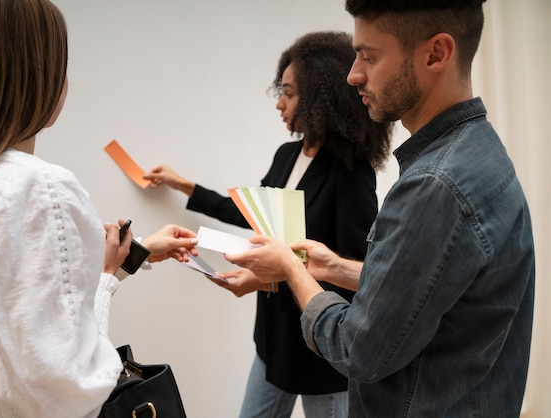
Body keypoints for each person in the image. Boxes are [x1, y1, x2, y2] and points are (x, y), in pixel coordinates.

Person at [225, 0, 536, 417]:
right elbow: (425, 290)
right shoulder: (480, 151)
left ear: (436, 54)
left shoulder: (433, 187)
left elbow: (358, 349)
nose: (353, 75)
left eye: (369, 57)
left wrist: (292, 269)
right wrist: (333, 267)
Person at [0, 1, 197, 417]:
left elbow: (6, 283)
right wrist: (107, 280)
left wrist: (139, 249)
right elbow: (70, 389)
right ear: (32, 74)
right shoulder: (35, 187)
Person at [145, 32, 391, 417]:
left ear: (319, 98)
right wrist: (182, 184)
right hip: (273, 339)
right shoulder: (286, 155)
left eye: (289, 93)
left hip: (321, 349)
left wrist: (265, 280)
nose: (279, 103)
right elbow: (248, 211)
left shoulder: (351, 172)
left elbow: (352, 274)